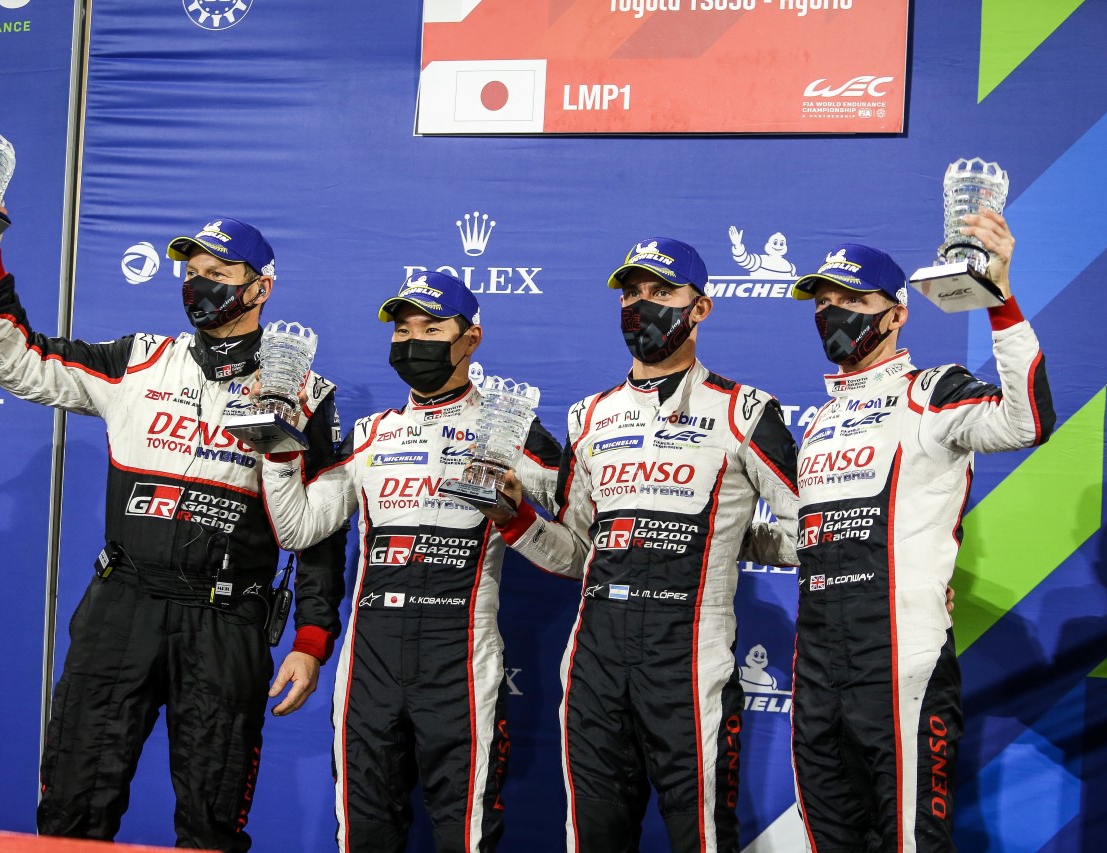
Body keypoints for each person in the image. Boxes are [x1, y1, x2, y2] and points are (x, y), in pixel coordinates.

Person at [0, 195, 346, 852]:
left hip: (226, 619)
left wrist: (310, 638)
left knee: (210, 825)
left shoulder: (306, 392)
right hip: (123, 606)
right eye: (191, 272)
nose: (199, 284)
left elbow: (321, 529)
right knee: (72, 809)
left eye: (218, 273)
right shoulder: (137, 359)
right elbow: (19, 362)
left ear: (261, 287)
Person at [490, 237, 800, 852]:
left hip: (689, 653)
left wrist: (730, 540)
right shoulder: (589, 415)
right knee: (593, 838)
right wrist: (516, 520)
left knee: (701, 836)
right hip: (594, 656)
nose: (642, 304)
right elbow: (579, 551)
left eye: (661, 292)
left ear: (701, 307)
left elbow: (808, 532)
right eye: (632, 293)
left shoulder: (744, 410)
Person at [262, 271, 565, 853]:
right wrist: (277, 452)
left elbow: (586, 531)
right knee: (363, 834)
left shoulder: (510, 429)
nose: (412, 342)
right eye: (403, 330)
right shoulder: (370, 433)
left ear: (471, 338)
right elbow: (299, 528)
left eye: (431, 329)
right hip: (369, 660)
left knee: (465, 837)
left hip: (461, 656)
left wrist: (517, 516)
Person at [788, 210, 1055, 852]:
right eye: (824, 302)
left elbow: (1027, 422)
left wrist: (1000, 299)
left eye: (853, 300)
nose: (833, 312)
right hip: (816, 664)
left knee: (913, 840)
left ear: (896, 315)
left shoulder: (932, 392)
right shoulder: (818, 422)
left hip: (902, 657)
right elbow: (811, 540)